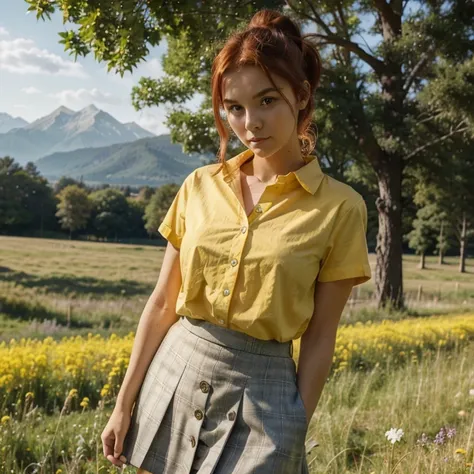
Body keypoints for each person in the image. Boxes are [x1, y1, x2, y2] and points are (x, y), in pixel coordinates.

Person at [101, 8, 372, 474]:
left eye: (267, 101)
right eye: (235, 107)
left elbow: (321, 335)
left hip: (266, 400)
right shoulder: (198, 185)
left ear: (301, 96)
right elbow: (164, 301)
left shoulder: (341, 208)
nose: (251, 124)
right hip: (174, 371)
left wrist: (295, 423)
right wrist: (124, 402)